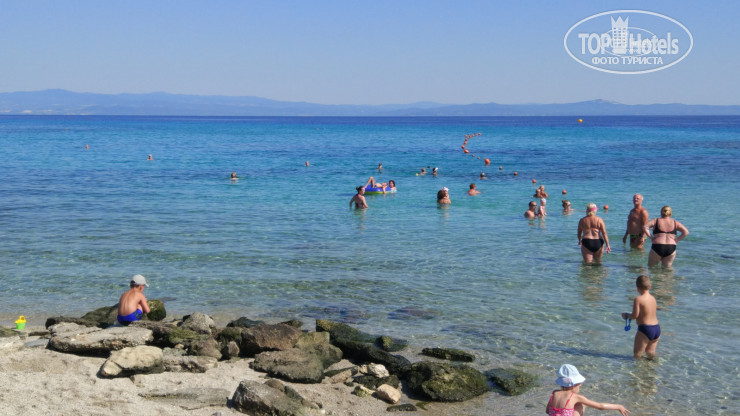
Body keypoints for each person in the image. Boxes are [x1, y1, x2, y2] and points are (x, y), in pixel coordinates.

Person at [545, 364, 631, 416]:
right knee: (581, 404)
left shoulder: (554, 393)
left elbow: (548, 411)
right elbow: (600, 406)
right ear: (574, 385)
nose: (579, 388)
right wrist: (618, 406)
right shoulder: (575, 397)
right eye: (579, 386)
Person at [622, 275, 660, 359]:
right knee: (650, 353)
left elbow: (635, 315)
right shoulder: (653, 298)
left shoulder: (638, 299)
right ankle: (654, 365)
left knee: (637, 354)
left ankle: (640, 367)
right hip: (656, 328)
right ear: (650, 286)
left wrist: (626, 315)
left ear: (637, 287)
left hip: (645, 329)